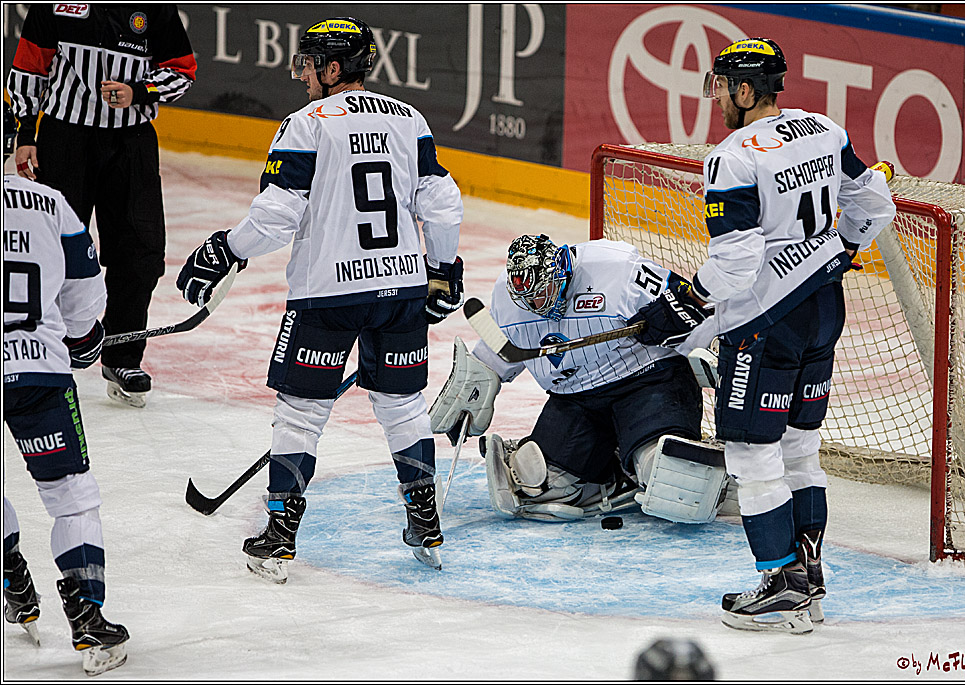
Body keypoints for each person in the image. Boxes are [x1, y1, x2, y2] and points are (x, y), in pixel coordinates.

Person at [175, 17, 464, 580]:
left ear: (333, 68)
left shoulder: (305, 124)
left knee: (301, 411)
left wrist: (226, 248)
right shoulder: (409, 120)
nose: (301, 74)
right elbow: (442, 202)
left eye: (308, 63)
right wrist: (442, 271)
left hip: (327, 296)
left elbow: (277, 217)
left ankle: (280, 534)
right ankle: (424, 518)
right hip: (402, 286)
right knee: (402, 405)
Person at [629, 38, 896, 633]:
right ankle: (809, 574)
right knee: (800, 448)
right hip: (824, 307)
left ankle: (781, 585)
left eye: (723, 86)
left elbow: (736, 265)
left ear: (746, 90)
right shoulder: (821, 128)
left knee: (752, 454)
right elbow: (876, 203)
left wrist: (686, 301)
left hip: (765, 326)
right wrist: (842, 249)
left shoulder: (731, 158)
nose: (718, 97)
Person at [430, 234, 727, 525]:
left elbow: (690, 308)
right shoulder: (508, 297)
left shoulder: (616, 269)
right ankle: (615, 478)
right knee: (540, 484)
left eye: (541, 292)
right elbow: (498, 352)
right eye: (527, 298)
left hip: (648, 381)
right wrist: (474, 384)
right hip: (577, 399)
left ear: (561, 272)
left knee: (674, 479)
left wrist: (706, 345)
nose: (535, 304)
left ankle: (667, 462)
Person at [6, 4, 197, 408]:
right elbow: (30, 67)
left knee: (142, 252)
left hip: (131, 142)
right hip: (64, 139)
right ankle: (42, 349)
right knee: (51, 251)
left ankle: (122, 356)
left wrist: (139, 92)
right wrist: (25, 134)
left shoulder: (155, 8)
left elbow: (182, 70)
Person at [2, 104, 130, 676]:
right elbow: (84, 294)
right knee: (72, 495)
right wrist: (83, 341)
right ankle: (88, 619)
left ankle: (11, 571)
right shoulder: (51, 203)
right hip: (40, 372)